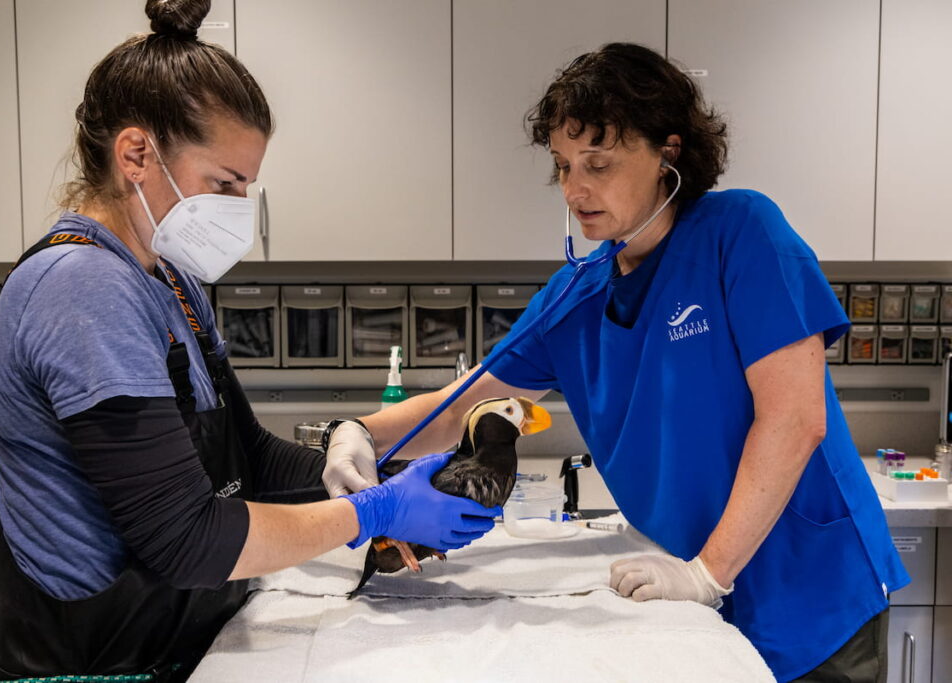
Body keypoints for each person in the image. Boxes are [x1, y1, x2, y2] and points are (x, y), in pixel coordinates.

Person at [323, 43, 908, 682]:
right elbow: (467, 403)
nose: (575, 189)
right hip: (690, 601)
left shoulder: (741, 233)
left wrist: (708, 574)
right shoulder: (576, 294)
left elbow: (796, 420)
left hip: (809, 595)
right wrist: (356, 433)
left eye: (598, 163)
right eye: (563, 166)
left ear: (668, 153)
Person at [0, 1, 499, 680]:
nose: (235, 207)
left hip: (173, 647)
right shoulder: (81, 287)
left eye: (245, 186)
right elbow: (186, 538)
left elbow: (244, 460)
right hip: (90, 664)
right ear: (136, 154)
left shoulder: (171, 283)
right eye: (223, 183)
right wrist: (372, 511)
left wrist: (356, 470)